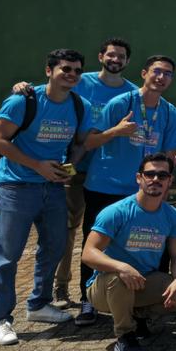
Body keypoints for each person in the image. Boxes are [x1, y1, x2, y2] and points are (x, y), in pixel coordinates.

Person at [0, 48, 95, 345]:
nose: (71, 75)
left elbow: (82, 143)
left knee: (55, 247)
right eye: (65, 69)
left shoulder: (79, 104)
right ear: (49, 71)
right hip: (16, 188)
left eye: (76, 70)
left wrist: (68, 166)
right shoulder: (24, 100)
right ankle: (0, 320)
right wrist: (37, 166)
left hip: (53, 189)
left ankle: (39, 305)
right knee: (7, 257)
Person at [81, 54, 176, 326]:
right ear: (143, 73)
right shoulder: (120, 103)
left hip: (146, 189)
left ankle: (150, 302)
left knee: (154, 242)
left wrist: (160, 183)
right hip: (108, 186)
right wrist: (116, 131)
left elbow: (171, 151)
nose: (161, 77)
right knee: (98, 243)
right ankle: (88, 301)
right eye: (157, 71)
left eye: (168, 73)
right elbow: (91, 141)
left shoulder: (169, 112)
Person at [45, 37, 135, 308]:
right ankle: (61, 286)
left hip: (109, 177)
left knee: (104, 234)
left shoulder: (132, 93)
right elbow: (47, 90)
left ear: (127, 61)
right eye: (111, 55)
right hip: (74, 169)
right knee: (67, 231)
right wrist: (21, 87)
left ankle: (111, 289)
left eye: (121, 56)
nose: (115, 59)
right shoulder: (79, 81)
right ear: (100, 57)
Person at [82, 153, 176, 351]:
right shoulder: (116, 212)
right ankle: (125, 337)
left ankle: (140, 315)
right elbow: (88, 253)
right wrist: (120, 267)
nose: (155, 179)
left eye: (162, 175)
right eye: (150, 174)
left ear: (170, 181)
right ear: (139, 178)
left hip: (144, 280)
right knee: (121, 279)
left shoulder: (172, 215)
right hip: (105, 287)